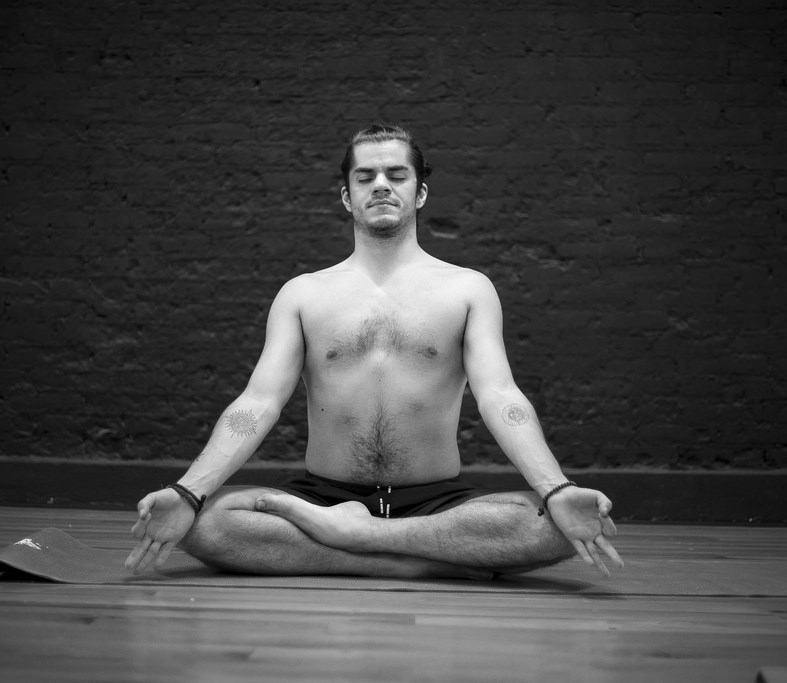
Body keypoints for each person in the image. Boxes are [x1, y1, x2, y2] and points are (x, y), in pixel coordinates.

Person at [125, 124, 624, 580]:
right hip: (323, 497)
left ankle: (361, 541)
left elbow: (500, 396)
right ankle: (413, 563)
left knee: (558, 526)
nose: (381, 184)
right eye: (365, 177)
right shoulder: (303, 293)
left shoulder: (468, 289)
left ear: (419, 191)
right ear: (347, 197)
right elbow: (258, 403)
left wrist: (557, 489)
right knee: (207, 524)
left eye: (396, 174)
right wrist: (189, 490)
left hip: (434, 500)